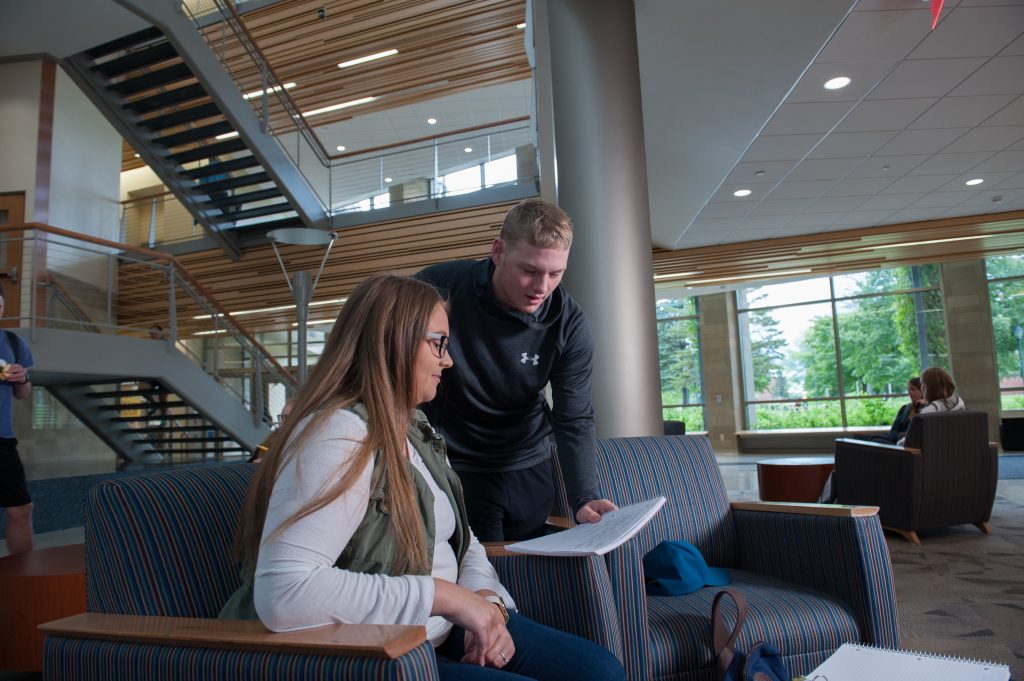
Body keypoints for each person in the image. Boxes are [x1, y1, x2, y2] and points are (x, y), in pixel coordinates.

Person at [219, 273, 626, 681]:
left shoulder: (415, 431)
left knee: (601, 671)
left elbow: (464, 543)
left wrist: (486, 603)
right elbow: (284, 594)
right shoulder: (337, 435)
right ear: (393, 343)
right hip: (375, 653)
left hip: (440, 631)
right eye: (438, 344)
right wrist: (447, 598)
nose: (448, 361)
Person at [416, 198, 616, 541]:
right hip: (453, 463)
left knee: (527, 576)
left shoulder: (569, 323)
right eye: (529, 270)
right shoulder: (440, 287)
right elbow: (388, 359)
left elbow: (574, 417)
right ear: (498, 252)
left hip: (528, 463)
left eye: (555, 273)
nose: (542, 287)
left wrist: (584, 496)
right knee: (475, 576)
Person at [0, 291, 35, 555]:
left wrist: (22, 377)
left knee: (21, 508)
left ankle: (24, 581)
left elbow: (23, 394)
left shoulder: (13, 342)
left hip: (2, 440)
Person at [249, 398, 293, 463]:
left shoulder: (302, 449)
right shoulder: (269, 442)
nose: (280, 422)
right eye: (281, 417)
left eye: (286, 418)